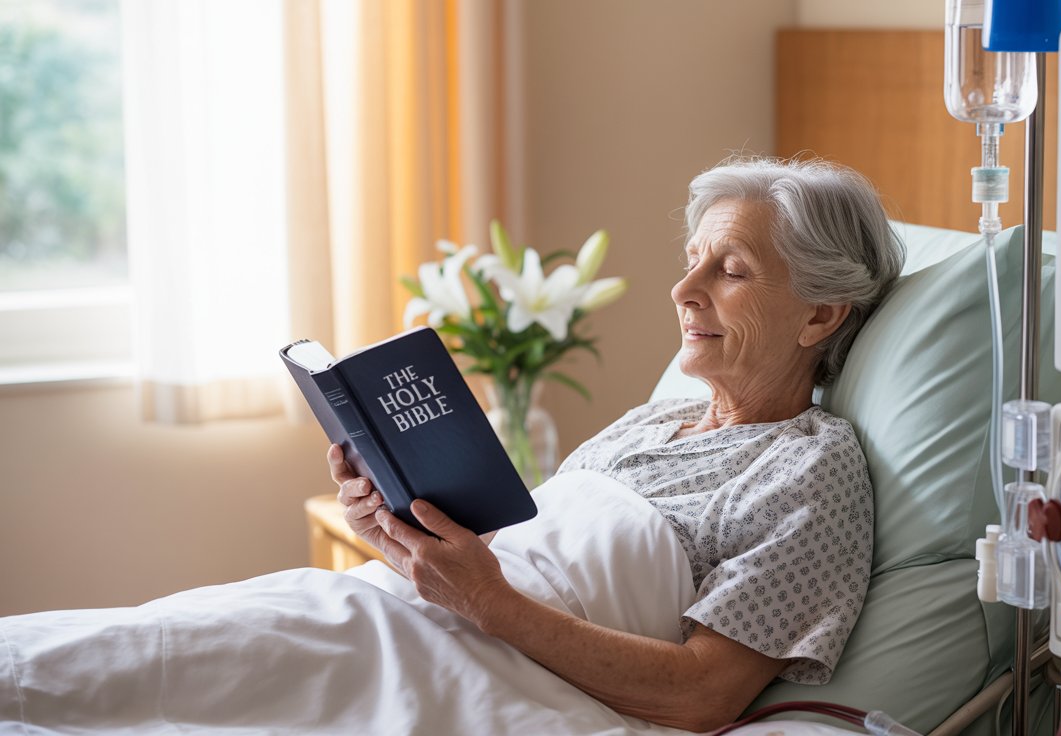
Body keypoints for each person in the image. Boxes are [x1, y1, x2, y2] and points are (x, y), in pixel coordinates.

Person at [330, 156, 905, 732]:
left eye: (731, 271)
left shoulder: (809, 467)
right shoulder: (650, 421)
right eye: (691, 262)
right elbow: (509, 564)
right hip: (405, 615)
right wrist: (402, 539)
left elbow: (704, 693)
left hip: (484, 678)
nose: (682, 290)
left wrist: (486, 602)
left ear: (821, 315)